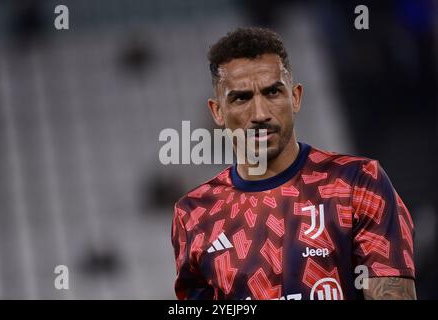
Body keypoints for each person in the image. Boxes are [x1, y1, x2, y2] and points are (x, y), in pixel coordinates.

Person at [171, 27, 416, 300]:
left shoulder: (357, 182)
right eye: (241, 98)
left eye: (273, 92)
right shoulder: (194, 215)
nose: (260, 114)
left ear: (295, 97)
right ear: (217, 111)